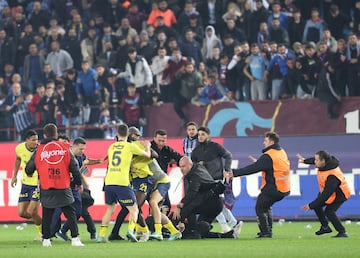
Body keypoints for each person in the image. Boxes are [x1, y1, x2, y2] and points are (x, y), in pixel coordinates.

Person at [25, 123, 84, 247]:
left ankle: (46, 240)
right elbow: (74, 167)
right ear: (56, 134)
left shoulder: (39, 150)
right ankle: (75, 239)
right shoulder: (65, 147)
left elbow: (29, 168)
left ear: (45, 135)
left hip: (46, 185)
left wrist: (31, 172)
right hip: (63, 184)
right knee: (70, 212)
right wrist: (78, 182)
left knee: (47, 213)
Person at [225, 131, 290, 238]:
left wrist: (234, 173)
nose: (263, 143)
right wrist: (260, 163)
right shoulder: (281, 152)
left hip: (273, 187)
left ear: (272, 142)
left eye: (265, 140)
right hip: (284, 188)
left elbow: (252, 169)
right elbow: (272, 166)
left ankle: (265, 232)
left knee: (260, 207)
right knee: (266, 206)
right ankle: (268, 230)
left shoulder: (268, 156)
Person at [96, 124, 151, 243]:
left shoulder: (111, 147)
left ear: (117, 134)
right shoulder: (130, 146)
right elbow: (147, 156)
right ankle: (130, 231)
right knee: (134, 209)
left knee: (110, 209)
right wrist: (148, 146)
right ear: (127, 135)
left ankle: (101, 236)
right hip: (122, 182)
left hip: (109, 181)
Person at [172, 156, 240, 239]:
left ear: (190, 165)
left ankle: (171, 228)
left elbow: (192, 193)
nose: (181, 169)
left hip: (210, 203)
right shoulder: (198, 168)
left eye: (183, 166)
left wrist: (179, 206)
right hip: (215, 203)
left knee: (185, 212)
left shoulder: (195, 175)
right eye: (180, 167)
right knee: (200, 229)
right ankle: (227, 235)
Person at [191, 126, 241, 236]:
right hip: (204, 181)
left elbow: (228, 155)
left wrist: (227, 170)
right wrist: (197, 165)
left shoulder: (215, 147)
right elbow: (192, 165)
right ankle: (234, 223)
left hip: (216, 179)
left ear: (208, 135)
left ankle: (226, 226)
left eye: (203, 134)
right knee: (216, 204)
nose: (200, 137)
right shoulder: (196, 151)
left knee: (214, 203)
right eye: (199, 135)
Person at [55, 137, 104, 241]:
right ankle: (48, 234)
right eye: (81, 149)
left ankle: (62, 231)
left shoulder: (81, 156)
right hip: (65, 187)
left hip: (75, 187)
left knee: (78, 211)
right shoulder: (66, 155)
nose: (82, 151)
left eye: (83, 149)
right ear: (74, 146)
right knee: (58, 210)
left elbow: (86, 161)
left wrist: (98, 161)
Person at [297, 151, 351, 238]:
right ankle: (325, 227)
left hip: (340, 194)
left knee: (329, 212)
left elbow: (326, 194)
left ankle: (342, 232)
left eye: (317, 160)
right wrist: (305, 161)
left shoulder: (332, 176)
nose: (315, 162)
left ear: (323, 161)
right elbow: (313, 160)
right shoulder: (325, 164)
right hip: (328, 192)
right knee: (317, 206)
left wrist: (310, 205)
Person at [11, 129, 42, 240]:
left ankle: (43, 232)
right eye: (33, 140)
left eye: (37, 139)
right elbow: (18, 160)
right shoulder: (19, 148)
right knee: (22, 213)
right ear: (27, 140)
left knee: (33, 211)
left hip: (37, 184)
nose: (36, 142)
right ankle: (47, 225)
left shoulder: (40, 150)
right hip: (25, 184)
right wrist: (14, 176)